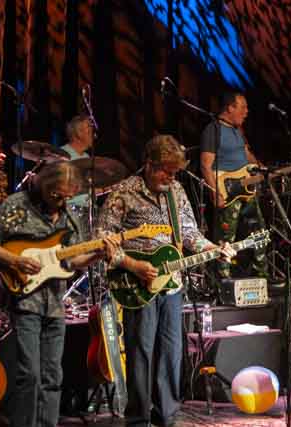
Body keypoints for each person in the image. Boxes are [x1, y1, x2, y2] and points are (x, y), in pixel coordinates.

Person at [97, 135, 236, 427]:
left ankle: (167, 416)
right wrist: (133, 265)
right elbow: (102, 240)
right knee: (141, 351)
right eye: (166, 170)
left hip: (171, 282)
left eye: (175, 171)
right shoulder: (124, 193)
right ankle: (138, 418)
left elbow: (190, 234)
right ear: (149, 164)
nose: (171, 176)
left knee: (171, 351)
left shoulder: (177, 191)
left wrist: (214, 249)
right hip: (137, 283)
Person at [0, 161, 119, 427]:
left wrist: (98, 254)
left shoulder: (69, 216)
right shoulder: (16, 205)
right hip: (25, 299)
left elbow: (75, 258)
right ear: (44, 185)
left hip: (55, 302)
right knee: (29, 374)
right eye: (56, 195)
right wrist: (14, 260)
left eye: (67, 196)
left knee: (53, 375)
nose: (61, 201)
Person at [199, 91, 268, 282]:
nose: (246, 112)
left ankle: (261, 275)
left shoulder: (238, 130)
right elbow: (206, 165)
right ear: (230, 108)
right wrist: (216, 192)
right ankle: (222, 279)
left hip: (246, 190)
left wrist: (263, 169)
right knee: (225, 239)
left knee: (259, 232)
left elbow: (247, 155)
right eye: (243, 107)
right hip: (227, 191)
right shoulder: (213, 130)